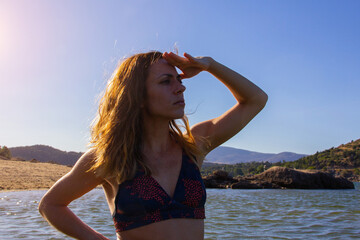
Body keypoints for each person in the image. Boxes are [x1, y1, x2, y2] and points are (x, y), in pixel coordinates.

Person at [39, 50, 268, 240]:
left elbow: (256, 99)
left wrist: (209, 64)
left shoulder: (194, 145)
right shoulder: (109, 157)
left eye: (178, 79)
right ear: (136, 96)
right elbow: (51, 204)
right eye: (166, 81)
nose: (180, 87)